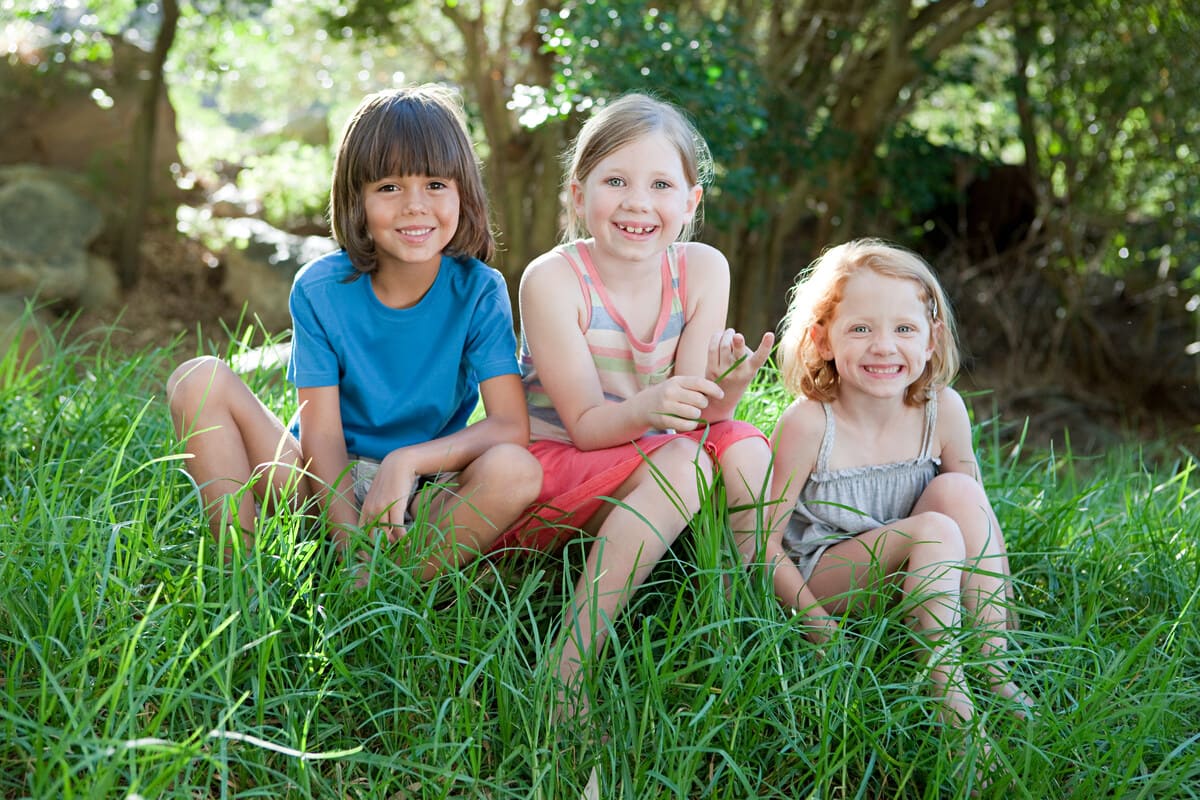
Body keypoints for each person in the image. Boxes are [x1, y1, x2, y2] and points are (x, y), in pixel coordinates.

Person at [167, 86, 541, 580]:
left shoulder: (479, 290)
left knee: (517, 469)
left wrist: (405, 462)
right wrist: (348, 540)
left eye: (435, 184)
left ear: (463, 192)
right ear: (356, 199)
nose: (414, 206)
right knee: (198, 379)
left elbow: (510, 426)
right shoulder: (321, 288)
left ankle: (391, 584)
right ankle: (243, 583)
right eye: (389, 187)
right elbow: (320, 431)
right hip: (317, 484)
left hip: (419, 492)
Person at [494, 92, 775, 744]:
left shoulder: (702, 269)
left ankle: (737, 627)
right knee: (684, 462)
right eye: (615, 181)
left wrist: (727, 390)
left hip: (653, 450)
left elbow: (698, 414)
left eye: (660, 184)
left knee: (745, 449)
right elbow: (589, 423)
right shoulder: (554, 279)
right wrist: (655, 407)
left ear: (690, 201)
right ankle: (568, 666)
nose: (637, 202)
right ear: (578, 193)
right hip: (559, 464)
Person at [765, 238, 1032, 729]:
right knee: (934, 529)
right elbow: (761, 543)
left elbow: (979, 518)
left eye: (904, 328)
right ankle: (955, 715)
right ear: (823, 340)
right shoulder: (809, 425)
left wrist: (1002, 608)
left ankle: (995, 668)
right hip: (830, 580)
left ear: (930, 341)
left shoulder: (942, 409)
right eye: (861, 328)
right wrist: (818, 627)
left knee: (961, 492)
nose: (884, 346)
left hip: (926, 563)